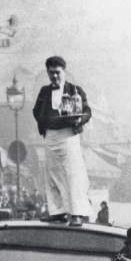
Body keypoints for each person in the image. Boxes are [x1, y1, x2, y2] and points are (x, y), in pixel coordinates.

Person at [32, 55, 93, 226]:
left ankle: (77, 214)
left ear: (64, 72)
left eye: (58, 73)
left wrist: (79, 121)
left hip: (68, 136)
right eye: (51, 73)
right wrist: (45, 122)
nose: (55, 77)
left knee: (72, 174)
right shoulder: (44, 92)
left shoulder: (75, 90)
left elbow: (87, 111)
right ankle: (57, 211)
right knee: (51, 174)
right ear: (48, 73)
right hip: (51, 135)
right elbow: (36, 110)